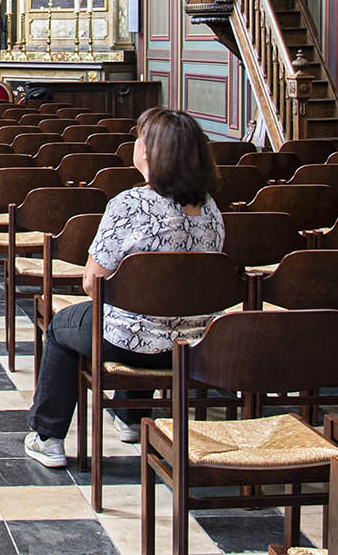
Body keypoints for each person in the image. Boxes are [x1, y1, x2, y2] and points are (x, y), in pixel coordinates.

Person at [23, 108, 225, 467]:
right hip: (196, 344)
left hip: (129, 344)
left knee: (61, 328)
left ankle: (47, 436)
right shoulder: (210, 209)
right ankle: (132, 418)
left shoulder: (130, 205)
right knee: (151, 306)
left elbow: (92, 282)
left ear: (147, 152)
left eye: (139, 138)